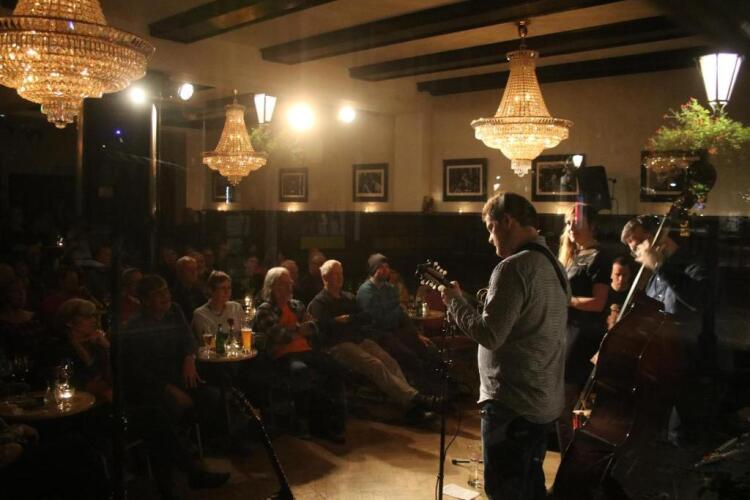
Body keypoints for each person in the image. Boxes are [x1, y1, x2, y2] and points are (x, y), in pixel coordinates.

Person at [439, 192, 569, 500]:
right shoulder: (555, 264)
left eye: (490, 227)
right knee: (530, 485)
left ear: (507, 221)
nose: (489, 238)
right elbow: (519, 325)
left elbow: (490, 335)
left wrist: (454, 303)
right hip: (542, 401)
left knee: (504, 490)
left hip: (512, 404)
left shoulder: (513, 267)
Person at [55, 298, 230, 497]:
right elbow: (81, 386)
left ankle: (174, 484)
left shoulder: (94, 345)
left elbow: (113, 379)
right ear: (70, 322)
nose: (94, 320)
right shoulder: (63, 350)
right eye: (87, 316)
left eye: (95, 315)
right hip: (85, 415)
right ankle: (185, 477)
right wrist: (101, 386)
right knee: (154, 418)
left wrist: (106, 349)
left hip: (111, 405)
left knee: (156, 419)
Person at [307, 260, 437, 424]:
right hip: (338, 345)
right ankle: (415, 401)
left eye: (341, 273)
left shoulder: (348, 297)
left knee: (390, 362)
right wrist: (343, 321)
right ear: (325, 277)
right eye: (335, 274)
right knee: (375, 364)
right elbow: (323, 327)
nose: (340, 277)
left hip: (358, 339)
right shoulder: (319, 302)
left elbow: (366, 317)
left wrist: (347, 319)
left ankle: (411, 404)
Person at [251, 267, 347, 444]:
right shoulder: (265, 310)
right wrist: (298, 329)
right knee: (301, 371)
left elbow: (313, 327)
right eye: (284, 284)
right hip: (282, 356)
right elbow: (280, 336)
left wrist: (295, 330)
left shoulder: (296, 305)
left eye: (290, 283)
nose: (289, 287)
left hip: (306, 351)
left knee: (336, 367)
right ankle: (304, 422)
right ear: (272, 287)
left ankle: (335, 421)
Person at [556, 203, 611, 453]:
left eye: (576, 222)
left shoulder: (599, 257)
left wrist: (566, 300)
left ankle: (572, 463)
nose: (571, 227)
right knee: (561, 408)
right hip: (567, 333)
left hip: (582, 336)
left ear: (592, 225)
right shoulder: (573, 255)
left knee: (565, 406)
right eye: (568, 223)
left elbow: (599, 303)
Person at [356, 253, 437, 380]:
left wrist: (417, 334)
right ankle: (418, 385)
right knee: (410, 356)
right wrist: (396, 311)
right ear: (373, 270)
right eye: (381, 267)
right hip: (379, 335)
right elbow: (379, 321)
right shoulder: (366, 291)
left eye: (387, 267)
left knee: (428, 348)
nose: (385, 270)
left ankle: (438, 381)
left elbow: (401, 315)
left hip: (395, 330)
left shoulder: (390, 288)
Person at [191, 271, 244, 342]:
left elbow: (244, 332)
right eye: (222, 288)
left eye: (229, 288)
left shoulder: (236, 307)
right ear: (211, 290)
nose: (227, 291)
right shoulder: (200, 314)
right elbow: (206, 342)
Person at [171, 256, 206, 323]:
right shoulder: (174, 294)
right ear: (180, 272)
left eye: (195, 269)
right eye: (189, 269)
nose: (194, 272)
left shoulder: (199, 292)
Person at [605, 255, 634, 330]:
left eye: (624, 275)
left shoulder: (635, 296)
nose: (621, 279)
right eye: (617, 274)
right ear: (611, 274)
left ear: (629, 275)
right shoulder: (602, 292)